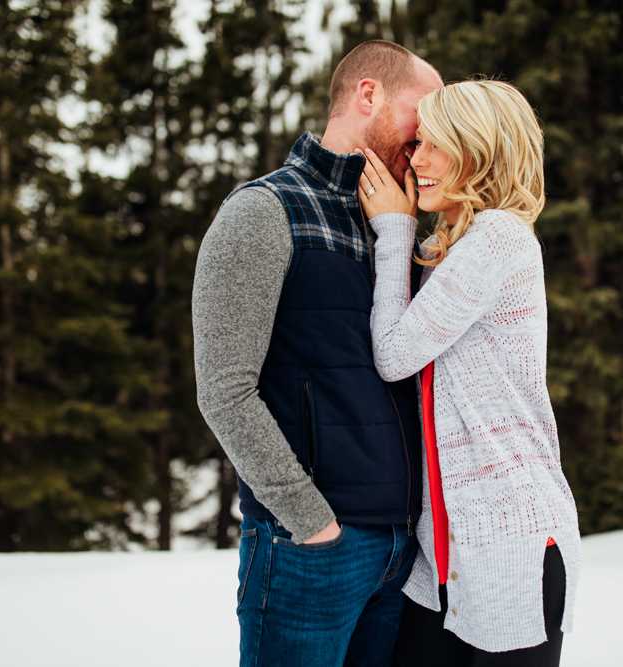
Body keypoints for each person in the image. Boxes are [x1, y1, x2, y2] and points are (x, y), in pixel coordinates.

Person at [192, 40, 443, 667]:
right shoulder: (263, 211)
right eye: (424, 109)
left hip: (399, 556)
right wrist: (311, 523)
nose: (431, 131)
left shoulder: (398, 225)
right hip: (311, 551)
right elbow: (224, 389)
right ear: (368, 94)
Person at [356, 80, 582, 666]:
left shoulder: (499, 238)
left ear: (480, 152)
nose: (417, 159)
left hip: (512, 542)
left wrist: (395, 230)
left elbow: (394, 354)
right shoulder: (450, 247)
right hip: (444, 553)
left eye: (436, 146)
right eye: (419, 142)